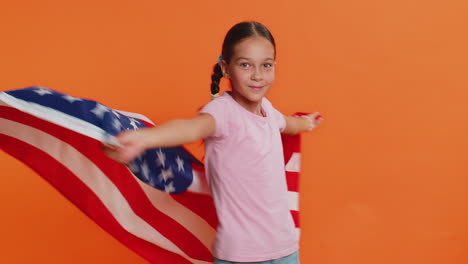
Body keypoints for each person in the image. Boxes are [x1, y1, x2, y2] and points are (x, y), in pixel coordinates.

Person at [105, 21, 322, 264]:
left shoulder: (268, 111)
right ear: (226, 68)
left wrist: (307, 123)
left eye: (266, 65)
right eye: (245, 65)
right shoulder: (223, 113)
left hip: (286, 249)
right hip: (241, 256)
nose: (257, 75)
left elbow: (289, 124)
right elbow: (190, 128)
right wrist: (143, 138)